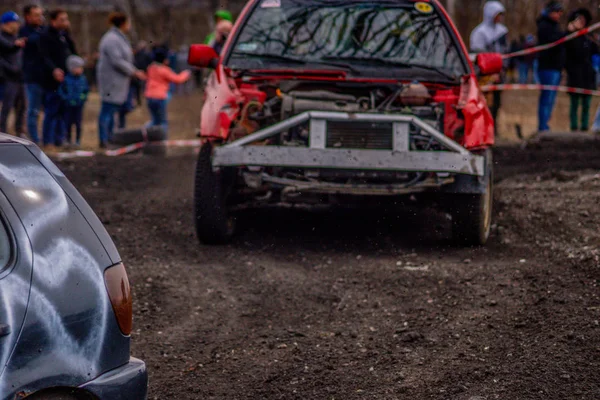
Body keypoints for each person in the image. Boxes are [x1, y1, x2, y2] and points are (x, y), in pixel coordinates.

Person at [97, 12, 146, 148]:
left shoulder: (119, 37)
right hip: (111, 82)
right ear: (123, 23)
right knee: (107, 110)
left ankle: (111, 138)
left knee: (113, 112)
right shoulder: (111, 39)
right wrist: (134, 71)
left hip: (118, 81)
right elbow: (116, 60)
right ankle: (104, 139)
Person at [39, 9, 76, 149]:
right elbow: (44, 57)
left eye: (66, 19)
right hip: (51, 80)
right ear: (53, 20)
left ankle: (60, 139)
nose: (66, 22)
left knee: (64, 111)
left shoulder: (65, 36)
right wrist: (53, 69)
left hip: (67, 79)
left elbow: (73, 53)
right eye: (62, 19)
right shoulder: (45, 36)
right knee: (51, 110)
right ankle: (47, 140)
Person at [470, 1, 508, 134]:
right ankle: (481, 128)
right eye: (497, 14)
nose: (500, 18)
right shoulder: (480, 33)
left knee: (496, 103)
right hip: (485, 74)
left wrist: (502, 69)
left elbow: (505, 52)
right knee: (484, 101)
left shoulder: (502, 32)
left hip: (499, 72)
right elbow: (478, 55)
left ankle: (494, 129)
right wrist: (489, 72)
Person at [564, 9, 597, 132]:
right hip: (575, 74)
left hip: (588, 74)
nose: (581, 22)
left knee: (586, 103)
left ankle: (584, 127)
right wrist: (569, 31)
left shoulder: (589, 36)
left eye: (583, 20)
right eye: (579, 20)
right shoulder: (570, 36)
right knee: (574, 103)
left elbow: (595, 51)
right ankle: (574, 127)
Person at [144, 47, 190, 134]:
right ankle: (162, 138)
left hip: (149, 96)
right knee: (163, 122)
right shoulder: (164, 70)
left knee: (154, 120)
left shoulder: (151, 68)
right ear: (164, 60)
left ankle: (147, 134)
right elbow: (177, 79)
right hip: (160, 97)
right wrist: (186, 74)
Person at [536, 1, 565, 133]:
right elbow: (553, 42)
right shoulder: (544, 25)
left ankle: (545, 125)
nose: (559, 15)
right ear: (550, 11)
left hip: (556, 67)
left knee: (551, 99)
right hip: (547, 67)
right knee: (546, 98)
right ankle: (543, 126)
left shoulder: (555, 26)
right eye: (557, 12)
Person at [19, 4, 45, 144]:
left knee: (46, 110)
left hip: (44, 77)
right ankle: (34, 139)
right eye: (36, 15)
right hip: (31, 76)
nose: (40, 18)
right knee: (32, 110)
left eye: (40, 15)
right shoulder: (23, 31)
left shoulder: (42, 30)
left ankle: (47, 138)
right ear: (28, 16)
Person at [0, 11, 26, 137]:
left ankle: (19, 131)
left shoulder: (15, 37)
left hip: (19, 78)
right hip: (7, 78)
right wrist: (11, 69)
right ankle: (2, 132)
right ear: (7, 23)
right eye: (15, 22)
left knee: (22, 106)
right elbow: (9, 48)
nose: (17, 25)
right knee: (7, 107)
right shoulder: (2, 38)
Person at [58, 55, 88, 147]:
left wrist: (82, 98)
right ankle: (68, 139)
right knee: (68, 123)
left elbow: (85, 91)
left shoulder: (83, 79)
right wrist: (66, 98)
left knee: (78, 123)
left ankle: (77, 140)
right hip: (68, 105)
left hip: (79, 105)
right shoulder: (66, 79)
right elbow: (61, 90)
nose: (80, 70)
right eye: (78, 67)